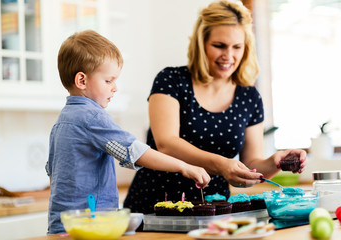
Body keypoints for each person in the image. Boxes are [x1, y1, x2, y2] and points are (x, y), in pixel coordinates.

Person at [123, 0, 307, 214]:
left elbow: (250, 167)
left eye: (237, 47)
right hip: (155, 205)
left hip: (213, 211)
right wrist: (222, 164)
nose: (228, 56)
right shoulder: (171, 80)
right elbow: (166, 144)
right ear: (201, 43)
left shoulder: (249, 97)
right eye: (219, 45)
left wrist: (275, 162)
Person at [45, 30, 211, 234]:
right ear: (82, 81)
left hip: (61, 225)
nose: (114, 88)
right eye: (108, 81)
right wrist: (184, 166)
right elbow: (135, 152)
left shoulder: (62, 121)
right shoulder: (93, 117)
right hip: (91, 227)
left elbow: (52, 175)